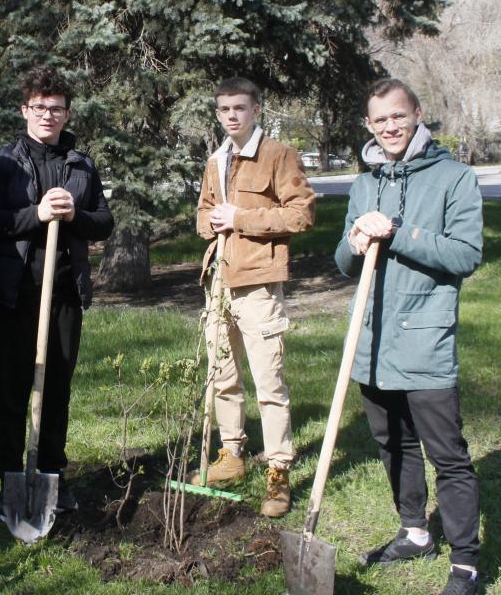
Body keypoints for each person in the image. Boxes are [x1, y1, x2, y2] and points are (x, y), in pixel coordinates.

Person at [334, 78, 484, 595]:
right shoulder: (363, 183)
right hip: (372, 339)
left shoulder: (454, 178)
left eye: (398, 116)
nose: (390, 127)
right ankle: (415, 531)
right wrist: (354, 243)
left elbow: (466, 254)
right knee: (391, 441)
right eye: (380, 120)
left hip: (424, 337)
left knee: (448, 454)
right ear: (368, 126)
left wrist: (399, 232)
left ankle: (465, 563)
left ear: (417, 114)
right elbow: (342, 263)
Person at [0, 66, 113, 514]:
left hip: (63, 294)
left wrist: (75, 216)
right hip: (13, 295)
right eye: (39, 107)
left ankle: (53, 473)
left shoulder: (80, 164)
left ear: (67, 113)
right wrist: (35, 214)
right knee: (11, 391)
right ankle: (9, 478)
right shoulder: (1, 165)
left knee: (56, 388)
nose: (47, 115)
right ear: (25, 110)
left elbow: (104, 222)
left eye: (56, 108)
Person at [191, 77, 316, 517]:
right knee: (222, 375)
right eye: (224, 109)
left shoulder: (278, 155)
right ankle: (231, 455)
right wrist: (211, 222)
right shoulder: (216, 160)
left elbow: (301, 214)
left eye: (240, 108)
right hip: (219, 281)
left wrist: (240, 218)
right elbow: (205, 211)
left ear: (256, 109)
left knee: (269, 383)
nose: (231, 116)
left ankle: (278, 469)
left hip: (259, 282)